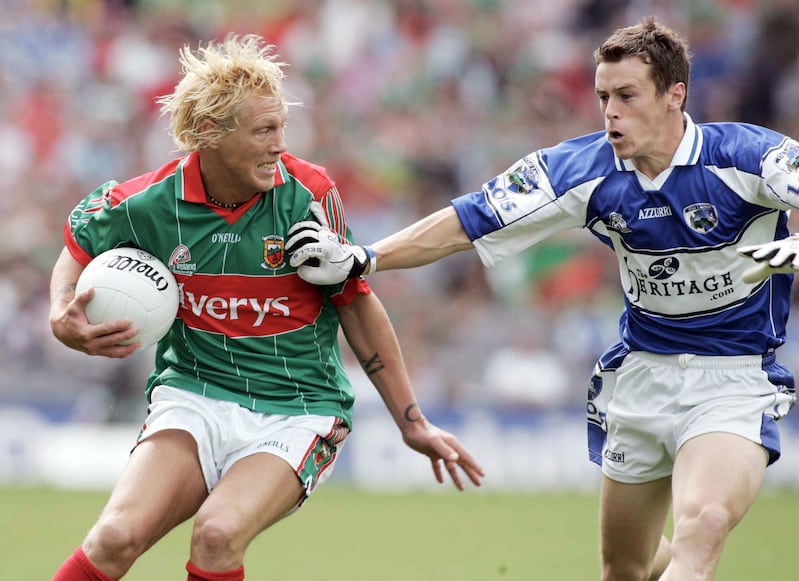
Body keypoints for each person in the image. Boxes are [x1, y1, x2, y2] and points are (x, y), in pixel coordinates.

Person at [287, 16, 799, 581]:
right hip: (642, 380)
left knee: (701, 525)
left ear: (675, 95)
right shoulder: (584, 168)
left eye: (627, 96)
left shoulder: (749, 155)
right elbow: (471, 218)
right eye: (604, 96)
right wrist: (368, 257)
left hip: (732, 378)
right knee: (625, 569)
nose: (611, 112)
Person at [48, 34, 483, 581]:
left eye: (282, 127)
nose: (280, 145)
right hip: (195, 396)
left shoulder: (308, 194)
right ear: (209, 133)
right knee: (112, 538)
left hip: (297, 408)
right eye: (264, 130)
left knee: (217, 534)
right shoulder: (149, 204)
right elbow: (77, 245)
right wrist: (62, 311)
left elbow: (357, 305)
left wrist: (412, 421)